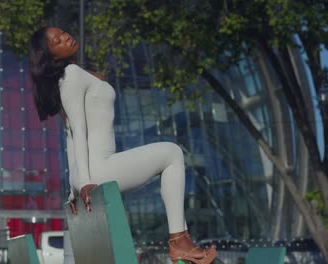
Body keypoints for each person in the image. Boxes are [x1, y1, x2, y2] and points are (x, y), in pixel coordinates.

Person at [28, 26, 217, 264]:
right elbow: (77, 130)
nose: (66, 37)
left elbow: (69, 135)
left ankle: (182, 243)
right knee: (172, 153)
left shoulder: (70, 77)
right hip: (99, 169)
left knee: (170, 155)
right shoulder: (72, 75)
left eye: (63, 33)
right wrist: (83, 182)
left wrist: (75, 185)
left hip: (90, 171)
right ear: (52, 56)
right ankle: (179, 241)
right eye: (58, 41)